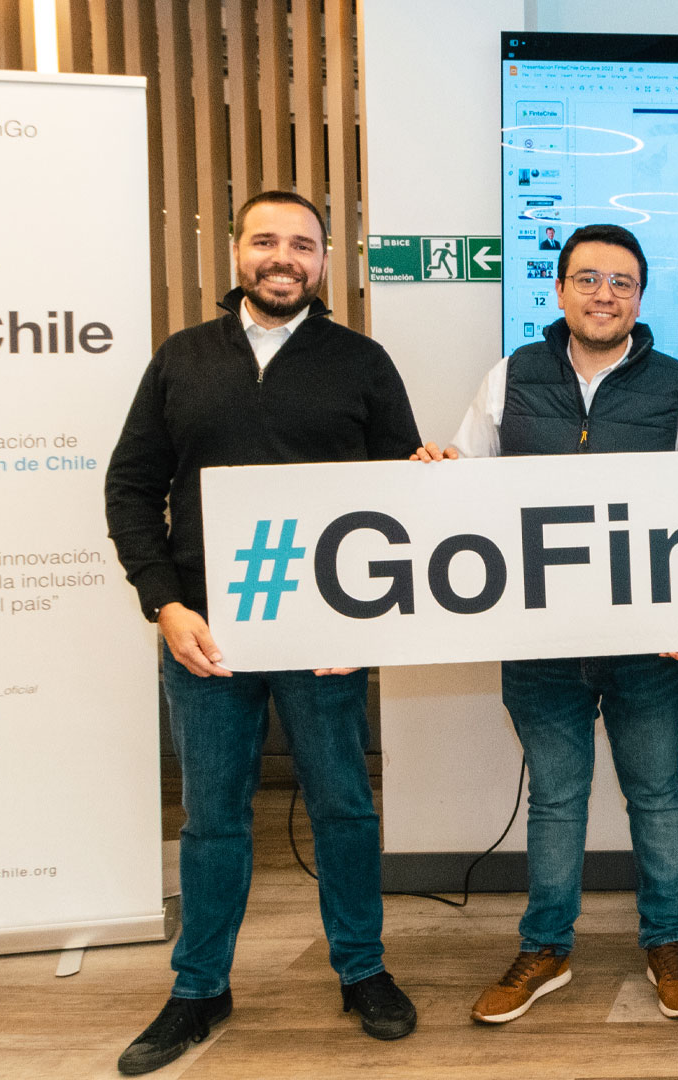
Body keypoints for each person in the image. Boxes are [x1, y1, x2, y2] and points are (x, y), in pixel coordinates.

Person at [104, 191, 422, 1075]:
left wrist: (374, 616)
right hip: (207, 634)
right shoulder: (183, 359)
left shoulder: (361, 362)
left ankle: (362, 970)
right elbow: (131, 487)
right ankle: (199, 987)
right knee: (212, 819)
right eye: (266, 241)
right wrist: (164, 604)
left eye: (303, 244)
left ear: (325, 260)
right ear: (237, 250)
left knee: (345, 807)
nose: (284, 258)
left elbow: (401, 496)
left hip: (325, 633)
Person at [412, 224, 678, 1022]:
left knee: (657, 797)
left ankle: (667, 942)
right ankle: (546, 949)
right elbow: (466, 485)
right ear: (559, 290)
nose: (603, 294)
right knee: (555, 800)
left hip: (645, 643)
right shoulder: (510, 377)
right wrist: (438, 473)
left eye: (621, 282)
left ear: (640, 298)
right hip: (540, 641)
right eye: (588, 279)